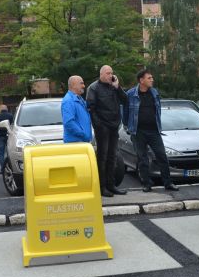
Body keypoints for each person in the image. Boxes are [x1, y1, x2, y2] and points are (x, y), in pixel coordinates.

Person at [124, 70, 179, 193]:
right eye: (149, 78)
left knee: (162, 156)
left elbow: (157, 111)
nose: (152, 80)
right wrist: (128, 126)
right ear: (141, 80)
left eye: (152, 77)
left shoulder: (154, 93)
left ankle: (168, 182)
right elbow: (126, 112)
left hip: (154, 131)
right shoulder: (131, 94)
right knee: (142, 159)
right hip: (138, 132)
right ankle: (146, 183)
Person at [86, 65, 128, 197]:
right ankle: (101, 187)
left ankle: (111, 185)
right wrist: (100, 126)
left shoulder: (113, 86)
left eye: (112, 73)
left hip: (114, 126)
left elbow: (125, 100)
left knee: (112, 157)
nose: (111, 76)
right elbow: (91, 109)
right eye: (108, 73)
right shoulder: (93, 88)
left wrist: (118, 87)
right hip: (102, 128)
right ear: (101, 74)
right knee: (102, 157)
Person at [61, 76, 92, 143]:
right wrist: (83, 134)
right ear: (74, 85)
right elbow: (69, 123)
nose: (84, 86)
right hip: (75, 143)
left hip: (81, 141)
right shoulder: (68, 101)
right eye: (81, 83)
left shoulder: (78, 99)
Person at [0, 104, 14, 174]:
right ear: (6, 108)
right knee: (9, 153)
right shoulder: (10, 116)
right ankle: (11, 168)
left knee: (1, 153)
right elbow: (13, 126)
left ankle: (3, 169)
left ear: (0, 109)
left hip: (0, 137)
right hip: (9, 137)